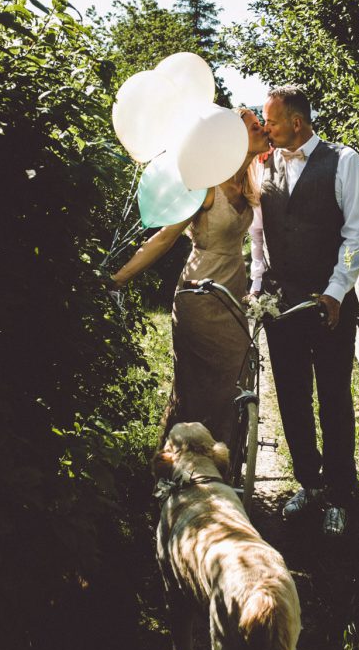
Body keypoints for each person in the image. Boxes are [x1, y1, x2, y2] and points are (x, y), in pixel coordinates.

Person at [250, 85, 359, 537]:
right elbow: (258, 238)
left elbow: (356, 236)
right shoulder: (264, 166)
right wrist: (258, 286)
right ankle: (309, 484)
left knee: (334, 399)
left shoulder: (344, 161)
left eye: (272, 121)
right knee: (292, 398)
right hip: (280, 306)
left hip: (328, 303)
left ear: (296, 122)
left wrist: (337, 292)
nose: (266, 128)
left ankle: (340, 494)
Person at [111, 109, 270, 446]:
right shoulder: (206, 186)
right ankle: (175, 467)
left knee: (233, 386)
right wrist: (118, 279)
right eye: (254, 126)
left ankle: (219, 469)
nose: (262, 128)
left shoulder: (249, 185)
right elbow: (163, 239)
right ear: (232, 138)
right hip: (199, 295)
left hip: (233, 298)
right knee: (195, 388)